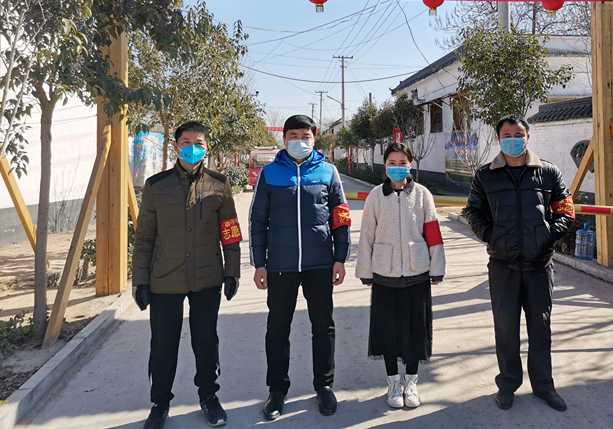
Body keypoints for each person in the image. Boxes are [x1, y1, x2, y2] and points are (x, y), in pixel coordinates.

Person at [132, 121, 242, 429]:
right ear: (176, 146)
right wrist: (140, 279)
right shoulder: (156, 185)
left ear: (207, 147)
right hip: (164, 277)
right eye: (186, 142)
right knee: (163, 343)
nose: (192, 147)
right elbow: (144, 237)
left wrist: (232, 271)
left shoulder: (219, 184)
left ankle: (209, 396)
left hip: (207, 277)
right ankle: (160, 403)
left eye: (198, 142)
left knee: (206, 341)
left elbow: (230, 232)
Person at [464, 114, 575, 412]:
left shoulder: (548, 172)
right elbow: (473, 211)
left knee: (541, 329)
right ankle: (508, 384)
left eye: (519, 134)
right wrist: (493, 237)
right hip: (503, 266)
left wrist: (548, 237)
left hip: (539, 266)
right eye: (507, 135)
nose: (513, 140)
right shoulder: (485, 175)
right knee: (506, 330)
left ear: (528, 137)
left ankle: (544, 386)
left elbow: (566, 210)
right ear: (498, 139)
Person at [249, 115, 351, 421]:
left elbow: (341, 216)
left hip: (320, 264)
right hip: (280, 265)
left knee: (323, 326)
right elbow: (257, 221)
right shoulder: (269, 173)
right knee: (277, 329)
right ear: (284, 139)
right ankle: (277, 391)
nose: (299, 141)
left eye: (305, 136)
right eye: (293, 136)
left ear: (314, 138)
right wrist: (259, 264)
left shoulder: (328, 171)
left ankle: (324, 387)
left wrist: (340, 258)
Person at [355, 143, 447, 409]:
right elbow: (366, 235)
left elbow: (433, 233)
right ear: (385, 166)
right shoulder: (375, 196)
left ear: (410, 165)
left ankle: (411, 382)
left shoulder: (422, 194)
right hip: (385, 273)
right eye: (392, 163)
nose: (397, 167)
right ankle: (393, 383)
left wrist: (437, 266)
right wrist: (365, 270)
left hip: (417, 273)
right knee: (388, 333)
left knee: (415, 332)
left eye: (402, 162)